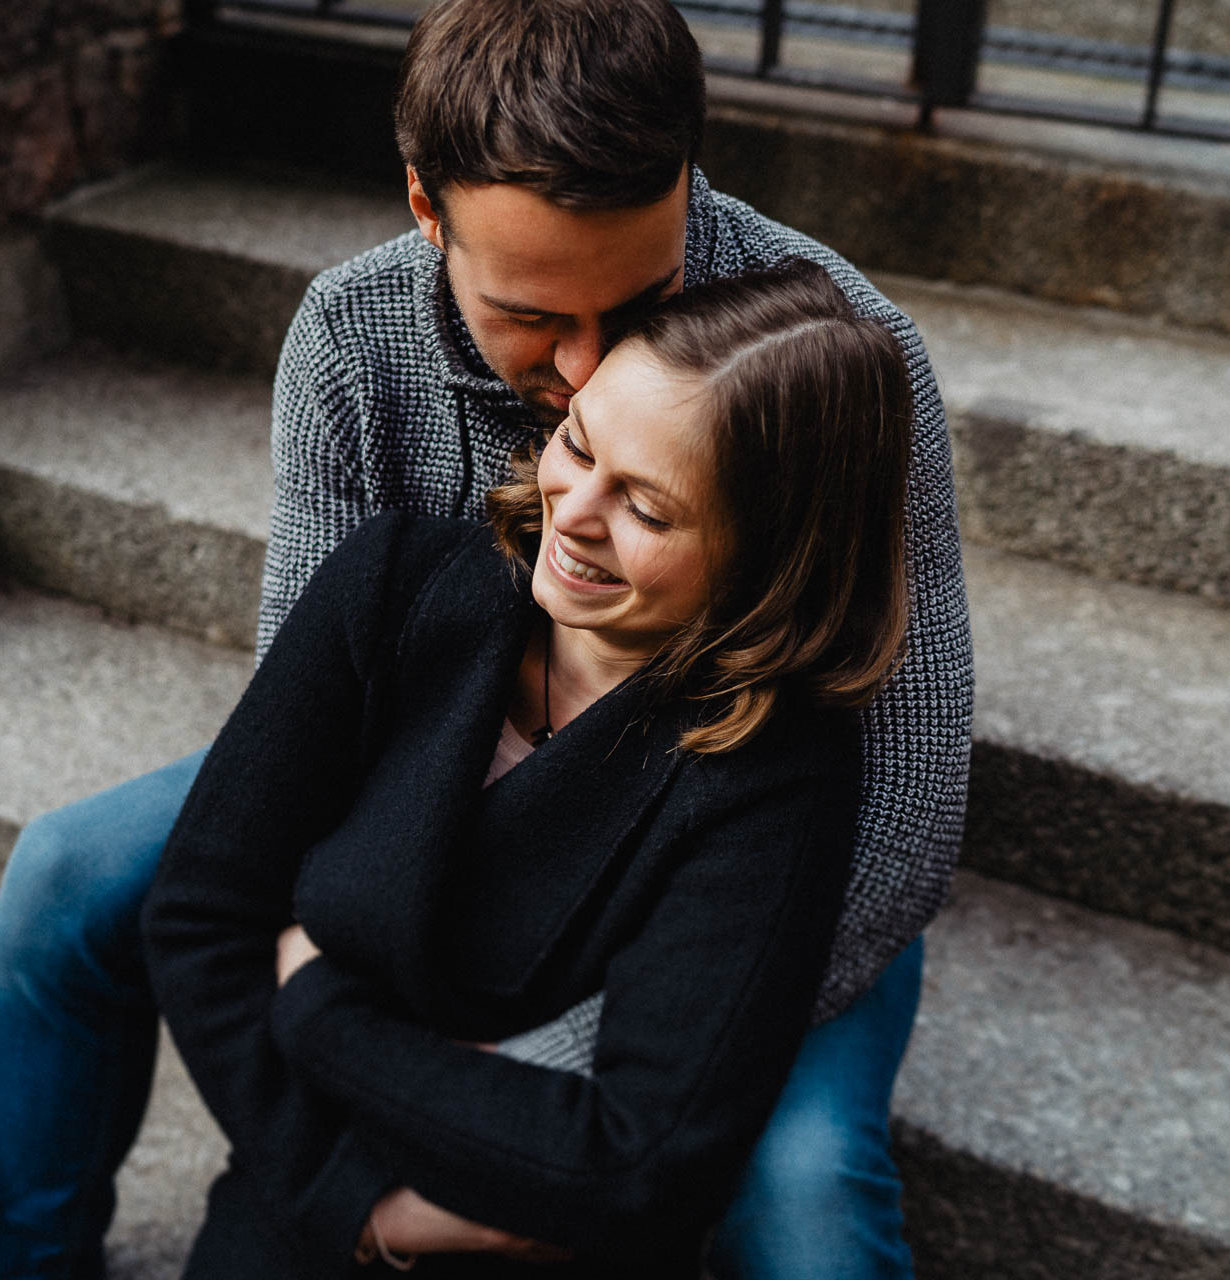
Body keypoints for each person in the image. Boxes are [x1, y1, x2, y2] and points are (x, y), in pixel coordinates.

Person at [0, 0, 972, 1275]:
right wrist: (357, 1155)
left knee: (804, 1191)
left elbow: (907, 807)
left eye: (641, 299)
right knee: (65, 877)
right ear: (427, 206)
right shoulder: (350, 337)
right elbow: (303, 727)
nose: (586, 371)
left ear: (687, 180)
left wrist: (545, 1064)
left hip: (732, 854)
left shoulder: (839, 353)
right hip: (432, 777)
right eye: (534, 315)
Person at [143, 260, 916, 1278]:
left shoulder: (769, 770)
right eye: (579, 442)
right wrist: (357, 1202)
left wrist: (323, 1012)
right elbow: (201, 914)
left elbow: (635, 1163)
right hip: (306, 1182)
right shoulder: (395, 586)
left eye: (646, 507)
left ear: (768, 557)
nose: (574, 510)